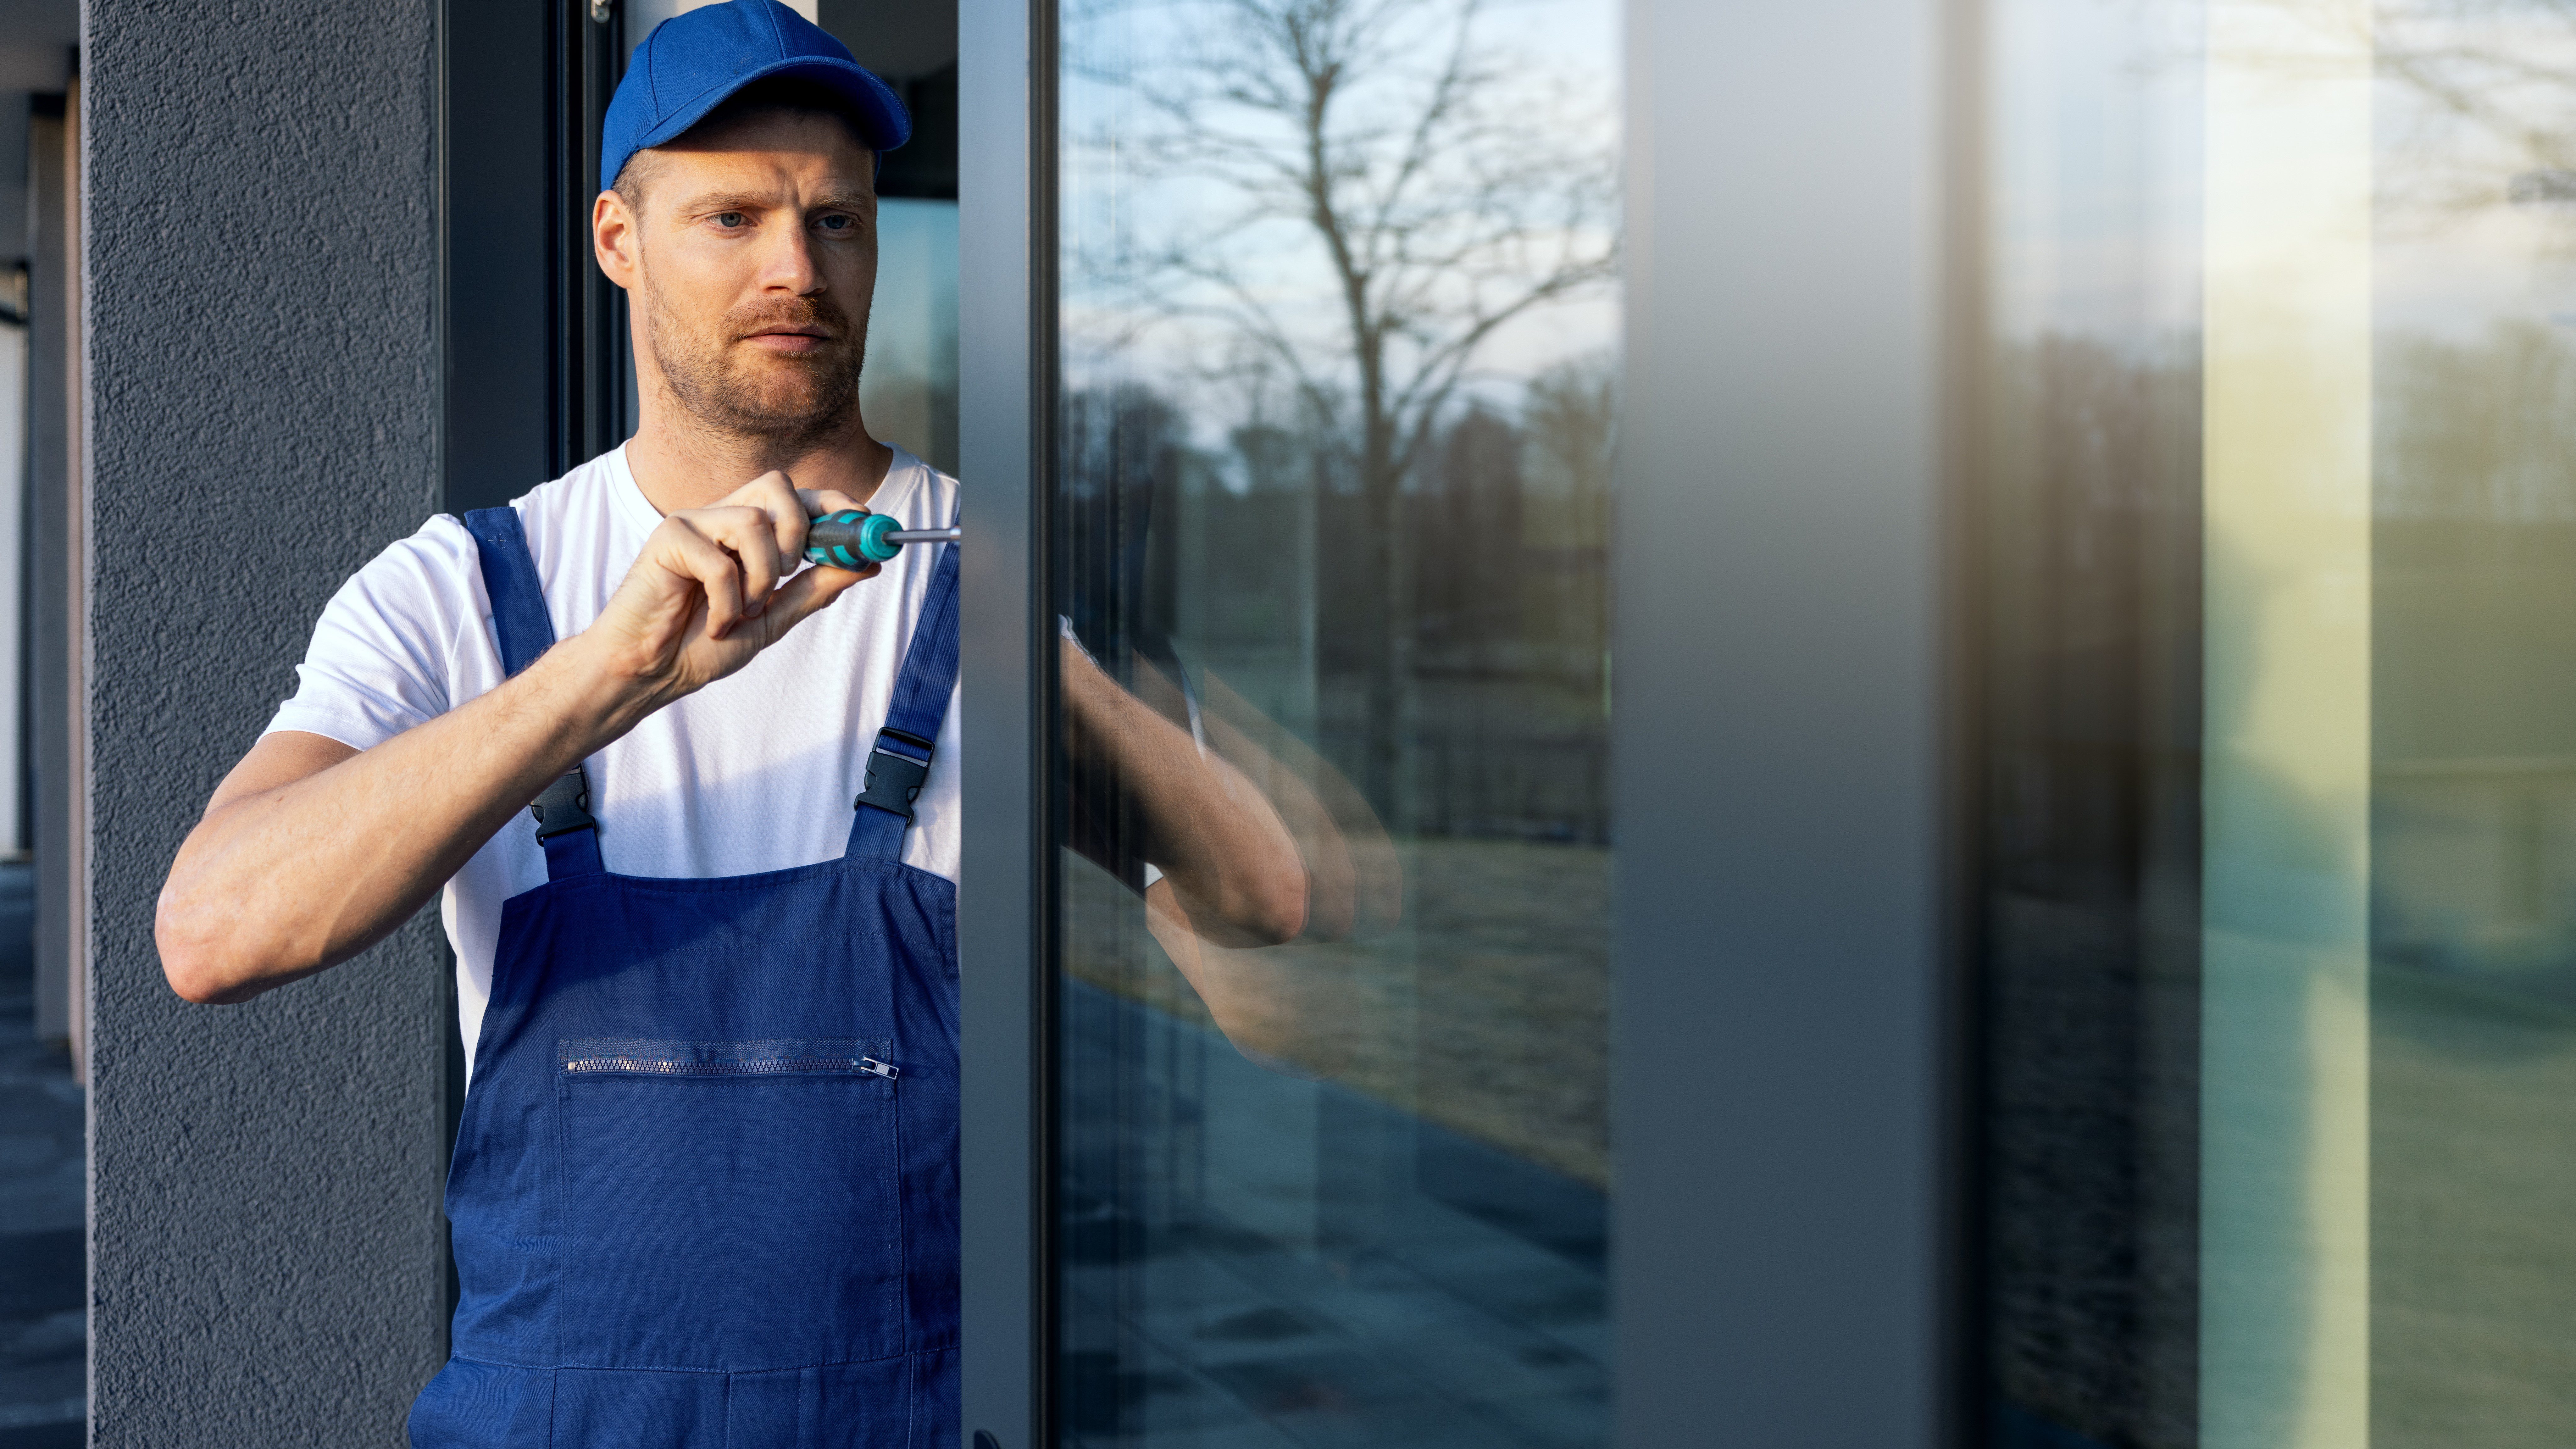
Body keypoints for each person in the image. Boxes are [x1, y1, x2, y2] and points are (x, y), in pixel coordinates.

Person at [151, 3, 1354, 1442]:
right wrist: (605, 677)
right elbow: (211, 934)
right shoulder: (460, 590)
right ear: (616, 240)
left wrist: (1046, 647)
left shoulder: (986, 573)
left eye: (835, 222)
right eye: (731, 217)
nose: (797, 269)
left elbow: (1259, 917)